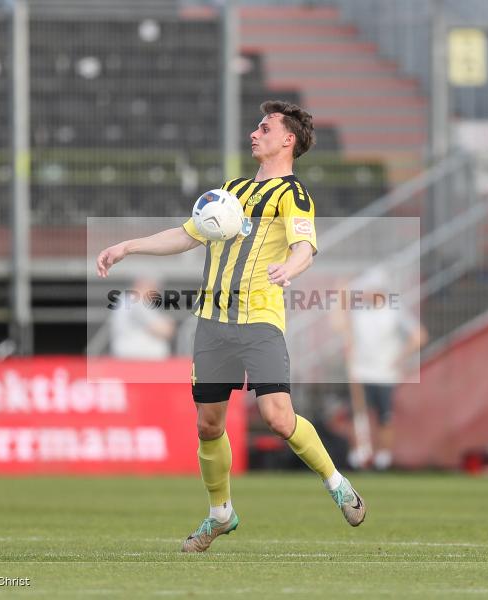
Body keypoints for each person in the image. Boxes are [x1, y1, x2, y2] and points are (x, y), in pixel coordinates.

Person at [96, 100, 366, 552]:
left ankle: (336, 481)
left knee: (278, 417)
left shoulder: (292, 195)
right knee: (207, 425)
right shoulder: (230, 191)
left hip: (260, 320)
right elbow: (187, 234)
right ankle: (220, 514)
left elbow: (304, 244)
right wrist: (129, 246)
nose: (253, 134)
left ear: (288, 140)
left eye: (264, 127)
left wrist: (291, 269)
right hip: (213, 323)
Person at [343, 267, 427, 470]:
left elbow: (419, 336)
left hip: (385, 374)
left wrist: (400, 358)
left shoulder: (395, 311)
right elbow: (346, 332)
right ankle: (360, 457)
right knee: (358, 416)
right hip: (361, 372)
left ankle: (382, 460)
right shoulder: (358, 311)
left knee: (384, 417)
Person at [108, 276, 175, 360]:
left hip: (124, 348)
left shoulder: (127, 297)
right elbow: (163, 330)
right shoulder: (135, 298)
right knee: (160, 347)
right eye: (154, 288)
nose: (156, 293)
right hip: (130, 350)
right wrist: (167, 324)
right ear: (142, 284)